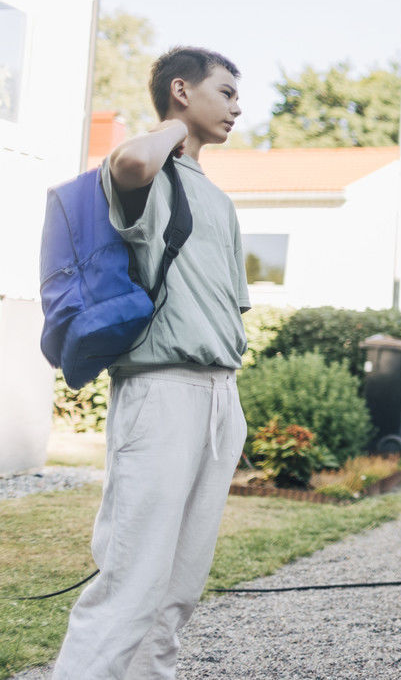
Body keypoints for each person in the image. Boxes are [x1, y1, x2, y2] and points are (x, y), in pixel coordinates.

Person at [53, 47, 251, 679]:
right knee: (132, 581)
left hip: (220, 395)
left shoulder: (217, 200)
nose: (237, 107)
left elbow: (230, 309)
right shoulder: (148, 174)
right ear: (182, 90)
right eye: (224, 92)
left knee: (176, 590)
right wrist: (174, 126)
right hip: (162, 392)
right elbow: (133, 159)